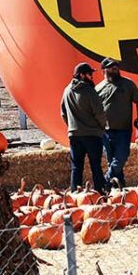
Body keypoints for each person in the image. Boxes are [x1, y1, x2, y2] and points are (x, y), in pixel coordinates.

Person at [96, 58, 138, 189]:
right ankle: (119, 187)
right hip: (105, 131)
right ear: (104, 70)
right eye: (111, 67)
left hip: (123, 130)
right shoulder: (98, 88)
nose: (115, 68)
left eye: (116, 66)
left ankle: (105, 181)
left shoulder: (128, 84)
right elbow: (92, 109)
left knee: (121, 157)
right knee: (112, 160)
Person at [60, 62, 108, 194]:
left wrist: (72, 126)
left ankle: (75, 193)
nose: (92, 77)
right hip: (92, 135)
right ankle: (100, 192)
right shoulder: (89, 91)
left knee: (76, 167)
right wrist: (102, 126)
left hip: (74, 135)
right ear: (81, 75)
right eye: (89, 74)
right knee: (95, 166)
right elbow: (99, 112)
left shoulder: (67, 90)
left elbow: (63, 113)